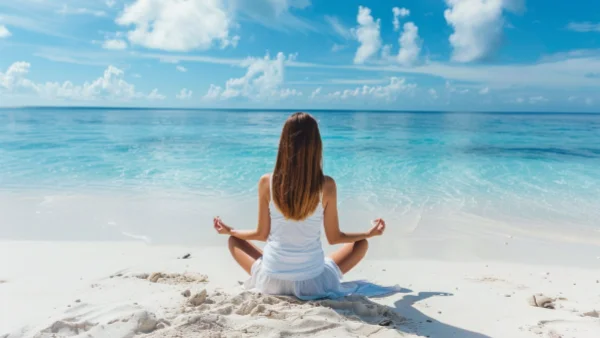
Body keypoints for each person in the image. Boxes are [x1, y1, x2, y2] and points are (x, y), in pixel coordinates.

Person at [213, 112, 387, 300]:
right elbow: (335, 237)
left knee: (234, 240)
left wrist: (231, 230)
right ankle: (292, 265)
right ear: (316, 145)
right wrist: (369, 234)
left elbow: (261, 234)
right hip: (312, 283)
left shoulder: (267, 182)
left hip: (272, 281)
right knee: (361, 244)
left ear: (284, 143)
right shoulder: (326, 185)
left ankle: (280, 264)